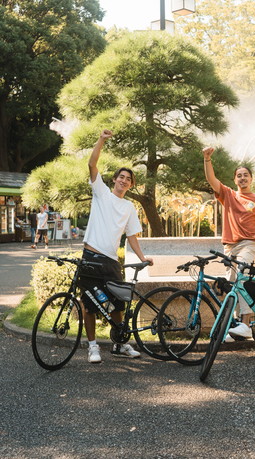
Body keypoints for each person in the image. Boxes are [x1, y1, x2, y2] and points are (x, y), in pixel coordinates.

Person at [81, 129, 154, 363]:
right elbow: (92, 164)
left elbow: (132, 236)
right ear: (114, 179)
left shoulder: (130, 208)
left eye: (128, 179)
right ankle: (93, 347)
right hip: (91, 256)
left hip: (111, 261)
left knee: (118, 305)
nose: (124, 181)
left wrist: (143, 257)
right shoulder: (101, 193)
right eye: (121, 177)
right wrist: (101, 139)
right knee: (89, 304)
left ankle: (120, 345)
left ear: (131, 185)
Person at [203, 146, 255, 341]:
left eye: (246, 175)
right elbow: (211, 180)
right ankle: (234, 327)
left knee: (242, 278)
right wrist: (207, 159)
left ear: (251, 179)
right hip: (230, 247)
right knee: (231, 284)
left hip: (250, 244)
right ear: (235, 180)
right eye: (239, 176)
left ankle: (246, 325)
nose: (242, 178)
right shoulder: (229, 195)